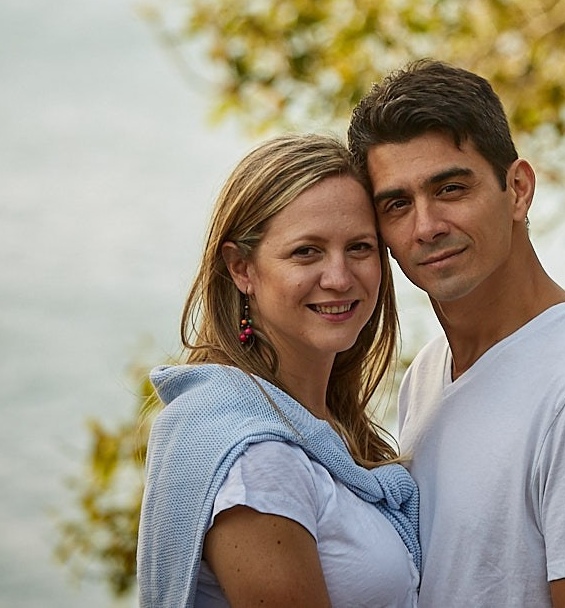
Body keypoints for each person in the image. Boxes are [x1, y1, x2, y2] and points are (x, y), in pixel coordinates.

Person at [349, 60, 565, 608]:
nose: (426, 226)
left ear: (518, 189)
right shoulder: (428, 372)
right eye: (397, 204)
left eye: (450, 188)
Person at [137, 133, 422, 608]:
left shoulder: (323, 428)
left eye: (360, 247)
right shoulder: (257, 460)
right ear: (241, 268)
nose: (339, 277)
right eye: (306, 252)